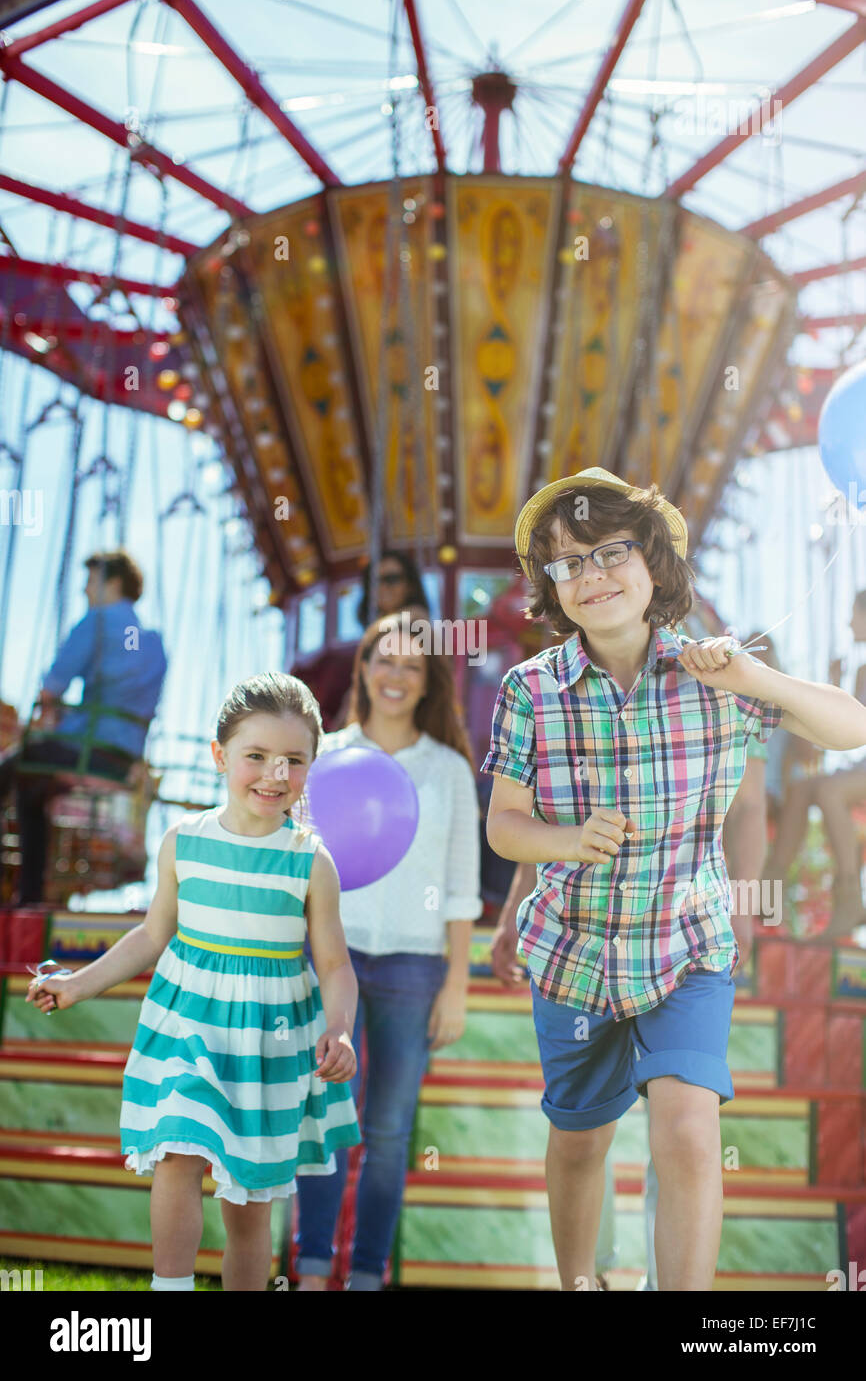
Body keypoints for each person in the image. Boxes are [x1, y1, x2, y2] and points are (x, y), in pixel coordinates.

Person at [481, 466, 866, 1292]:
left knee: (688, 1128)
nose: (591, 575)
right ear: (551, 590)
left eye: (610, 551)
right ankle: (582, 1282)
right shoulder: (529, 690)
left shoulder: (712, 675)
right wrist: (567, 838)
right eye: (567, 564)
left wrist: (752, 676)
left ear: (653, 561)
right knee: (581, 1140)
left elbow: (850, 724)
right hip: (576, 954)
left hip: (687, 946)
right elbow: (504, 824)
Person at [26, 672, 361, 1292]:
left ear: (311, 767)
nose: (273, 774)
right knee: (177, 1152)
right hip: (188, 1025)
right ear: (220, 757)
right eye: (255, 756)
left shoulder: (312, 860)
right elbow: (152, 935)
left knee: (247, 1205)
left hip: (268, 1041)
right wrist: (81, 983)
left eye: (293, 761)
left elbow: (336, 965)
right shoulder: (183, 843)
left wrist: (338, 1028)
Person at [294, 611, 481, 1291]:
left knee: (391, 1132)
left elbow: (462, 887)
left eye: (411, 664)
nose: (395, 675)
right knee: (322, 1118)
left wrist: (456, 983)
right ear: (364, 670)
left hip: (413, 965)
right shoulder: (327, 756)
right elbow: (298, 864)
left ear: (429, 677)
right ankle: (312, 1268)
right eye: (384, 660)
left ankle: (367, 1274)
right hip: (331, 957)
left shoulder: (450, 770)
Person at [0, 550, 167, 903]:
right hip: (122, 757)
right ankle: (30, 895)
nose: (85, 591)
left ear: (114, 583)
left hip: (86, 748)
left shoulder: (99, 622)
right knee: (33, 788)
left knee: (14, 767)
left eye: (91, 582)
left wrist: (51, 718)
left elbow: (52, 689)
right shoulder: (151, 641)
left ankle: (28, 892)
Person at [765, 590, 866, 936]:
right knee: (805, 789)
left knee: (827, 789)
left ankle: (850, 893)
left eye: (854, 614)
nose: (848, 622)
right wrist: (835, 685)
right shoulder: (862, 671)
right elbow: (833, 738)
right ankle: (768, 904)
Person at [293, 550, 431, 731]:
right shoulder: (372, 634)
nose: (383, 587)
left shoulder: (415, 622)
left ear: (410, 585)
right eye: (374, 581)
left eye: (392, 579)